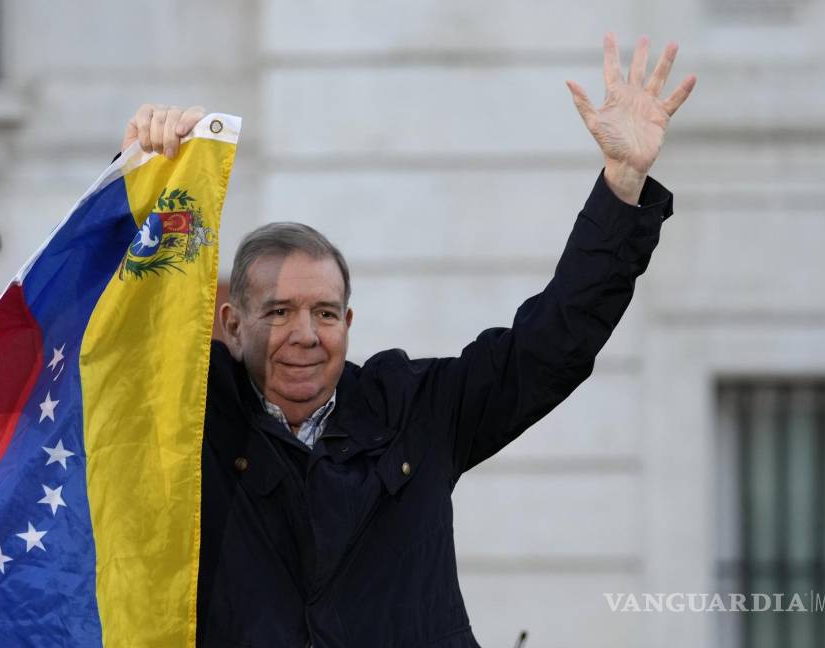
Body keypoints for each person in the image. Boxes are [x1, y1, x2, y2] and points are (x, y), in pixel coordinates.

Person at [121, 33, 695, 648]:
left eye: (325, 313)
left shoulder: (415, 410)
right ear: (232, 325)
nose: (306, 335)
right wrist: (143, 184)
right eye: (280, 312)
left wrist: (622, 184)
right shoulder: (190, 417)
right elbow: (119, 342)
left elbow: (552, 344)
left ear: (348, 322)